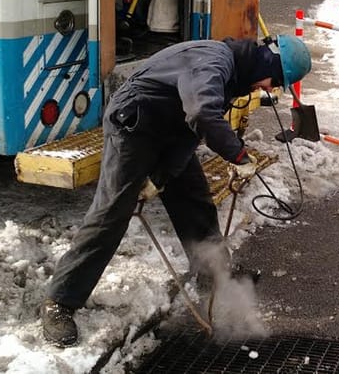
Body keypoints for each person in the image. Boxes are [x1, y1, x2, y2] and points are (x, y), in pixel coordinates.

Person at [40, 35, 312, 347]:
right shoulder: (213, 61)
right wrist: (237, 154)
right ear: (267, 63)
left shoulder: (230, 74)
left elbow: (188, 133)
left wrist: (163, 175)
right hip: (133, 127)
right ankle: (60, 300)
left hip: (169, 130)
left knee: (194, 199)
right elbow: (200, 114)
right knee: (111, 214)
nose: (268, 88)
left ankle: (214, 273)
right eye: (274, 80)